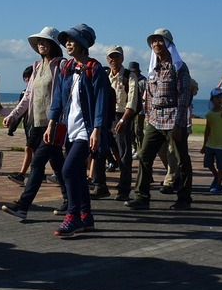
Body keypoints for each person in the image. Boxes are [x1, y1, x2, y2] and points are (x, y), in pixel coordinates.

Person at [47, 24, 110, 237]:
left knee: (68, 170)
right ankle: (86, 216)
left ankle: (72, 216)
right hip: (70, 129)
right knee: (78, 175)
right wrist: (52, 122)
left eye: (72, 40)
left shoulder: (95, 68)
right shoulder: (67, 68)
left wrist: (97, 129)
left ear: (83, 45)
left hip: (87, 130)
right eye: (66, 41)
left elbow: (101, 100)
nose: (67, 44)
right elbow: (58, 98)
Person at [1, 26, 68, 221]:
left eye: (45, 41)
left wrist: (56, 120)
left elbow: (62, 95)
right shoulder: (37, 67)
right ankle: (71, 201)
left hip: (53, 123)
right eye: (39, 42)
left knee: (37, 164)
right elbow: (28, 96)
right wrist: (13, 115)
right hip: (37, 124)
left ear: (54, 44)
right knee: (57, 164)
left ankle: (23, 205)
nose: (41, 45)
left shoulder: (61, 65)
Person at [126, 29, 193, 210]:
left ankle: (184, 198)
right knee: (144, 155)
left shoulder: (179, 67)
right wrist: (148, 117)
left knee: (181, 159)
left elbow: (184, 96)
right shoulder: (153, 68)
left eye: (160, 41)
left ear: (169, 44)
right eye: (154, 41)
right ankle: (141, 197)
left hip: (173, 118)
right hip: (154, 120)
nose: (156, 44)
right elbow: (149, 95)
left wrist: (179, 124)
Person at [106, 46, 139, 201]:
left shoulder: (129, 76)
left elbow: (132, 102)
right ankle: (100, 184)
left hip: (123, 116)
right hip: (108, 116)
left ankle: (124, 189)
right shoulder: (107, 76)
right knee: (103, 151)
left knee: (125, 153)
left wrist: (123, 120)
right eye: (111, 57)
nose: (114, 60)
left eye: (117, 57)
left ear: (122, 58)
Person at [4, 66, 34, 184]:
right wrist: (12, 126)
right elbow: (20, 110)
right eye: (26, 78)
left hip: (36, 124)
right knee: (34, 150)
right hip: (28, 124)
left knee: (30, 149)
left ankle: (23, 174)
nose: (28, 80)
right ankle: (36, 173)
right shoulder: (25, 93)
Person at [200, 88, 222, 193]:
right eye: (217, 97)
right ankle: (217, 176)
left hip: (221, 145)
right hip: (211, 144)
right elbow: (207, 130)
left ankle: (218, 184)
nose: (220, 100)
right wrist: (204, 145)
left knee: (221, 166)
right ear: (212, 99)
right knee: (208, 163)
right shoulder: (210, 115)